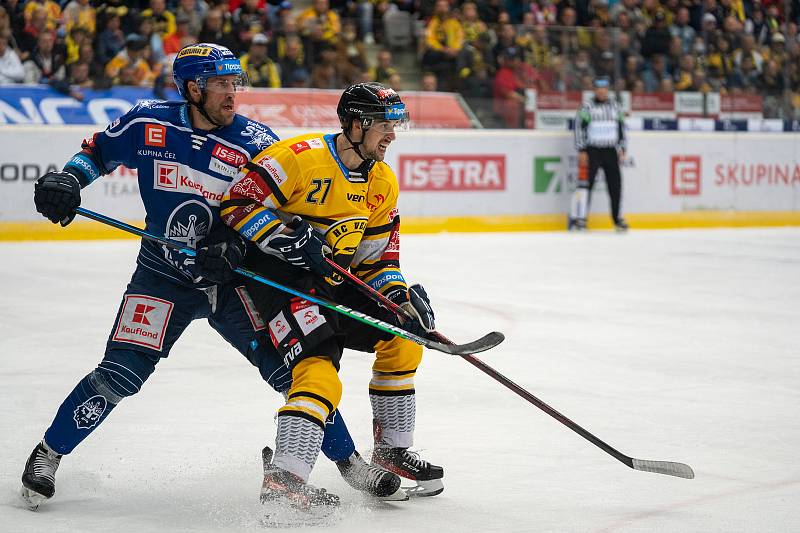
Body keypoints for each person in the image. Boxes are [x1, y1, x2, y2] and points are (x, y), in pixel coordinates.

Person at [21, 44, 402, 513]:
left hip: (235, 284)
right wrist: (70, 182)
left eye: (235, 84)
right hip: (162, 276)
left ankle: (351, 465)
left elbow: (269, 208)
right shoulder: (149, 121)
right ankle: (49, 454)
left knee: (294, 371)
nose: (232, 94)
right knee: (120, 374)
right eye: (222, 84)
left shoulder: (258, 142)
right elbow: (98, 153)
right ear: (193, 87)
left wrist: (240, 245)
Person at [220, 82, 444, 512]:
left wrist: (399, 299)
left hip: (336, 282)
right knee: (319, 375)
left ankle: (391, 451)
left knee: (400, 338)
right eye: (385, 125)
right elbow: (236, 204)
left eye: (396, 125)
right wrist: (287, 238)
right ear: (356, 124)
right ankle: (285, 480)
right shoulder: (298, 157)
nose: (392, 135)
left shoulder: (382, 181)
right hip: (283, 285)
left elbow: (376, 262)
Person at [570, 76, 628, 232]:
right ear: (594, 90)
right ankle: (580, 218)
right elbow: (579, 128)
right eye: (598, 88)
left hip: (610, 151)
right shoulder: (586, 107)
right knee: (585, 185)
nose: (602, 91)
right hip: (592, 151)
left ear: (607, 90)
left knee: (616, 186)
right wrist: (581, 149)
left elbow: (621, 128)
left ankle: (618, 219)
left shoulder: (616, 107)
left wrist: (622, 148)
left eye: (604, 88)